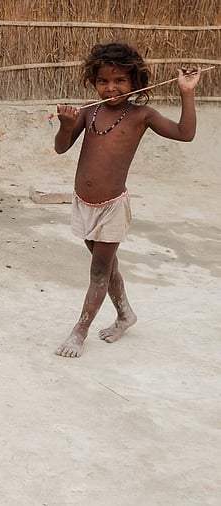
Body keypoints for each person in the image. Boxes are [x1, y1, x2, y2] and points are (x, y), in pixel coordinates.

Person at [52, 42, 201, 358]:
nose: (111, 88)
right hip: (84, 203)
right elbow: (61, 148)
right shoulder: (88, 112)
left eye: (120, 80)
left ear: (135, 81)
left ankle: (79, 332)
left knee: (98, 271)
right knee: (107, 266)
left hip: (111, 208)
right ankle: (125, 314)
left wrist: (186, 92)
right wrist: (65, 126)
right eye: (103, 81)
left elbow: (184, 133)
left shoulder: (141, 115)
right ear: (94, 82)